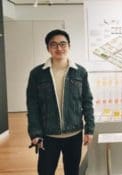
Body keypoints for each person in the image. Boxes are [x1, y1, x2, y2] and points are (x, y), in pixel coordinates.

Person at [26, 29, 95, 175]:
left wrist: (89, 129)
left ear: (69, 46)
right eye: (54, 45)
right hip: (48, 135)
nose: (59, 48)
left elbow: (87, 102)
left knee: (72, 171)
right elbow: (33, 106)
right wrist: (35, 133)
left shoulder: (80, 72)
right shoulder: (37, 74)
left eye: (63, 44)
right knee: (45, 171)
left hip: (74, 134)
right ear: (48, 48)